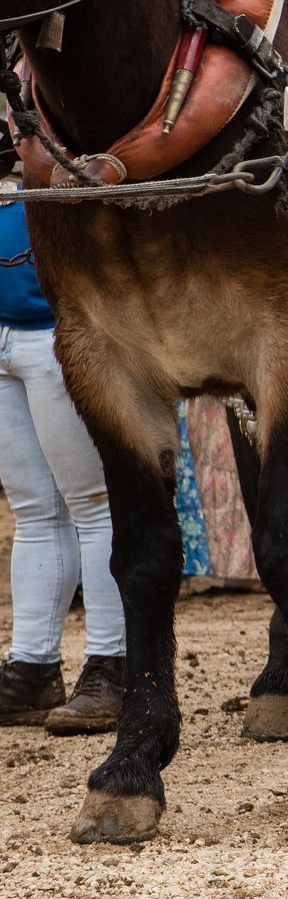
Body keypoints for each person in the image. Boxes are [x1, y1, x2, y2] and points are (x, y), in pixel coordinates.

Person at [0, 196, 126, 733]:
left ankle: (112, 666)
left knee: (93, 504)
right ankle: (31, 667)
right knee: (32, 509)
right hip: (4, 332)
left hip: (61, 326)